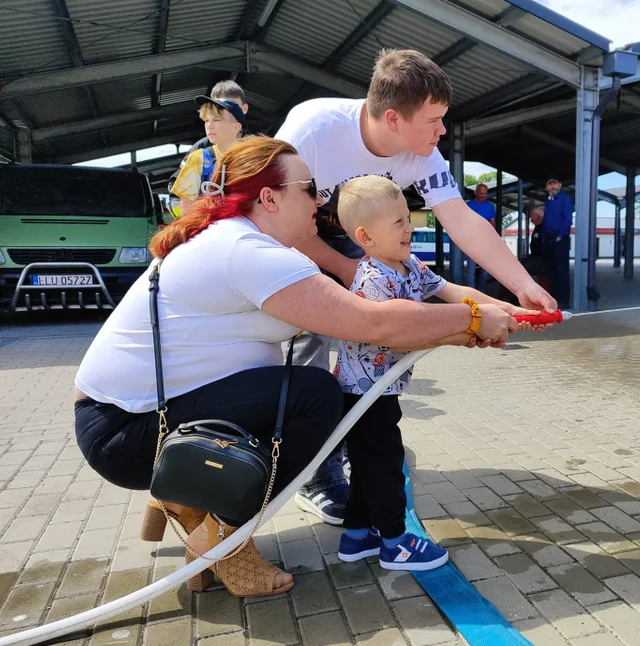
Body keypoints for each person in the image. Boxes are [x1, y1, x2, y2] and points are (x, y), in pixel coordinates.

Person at [74, 137, 518, 599]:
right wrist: (470, 319)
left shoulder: (240, 242)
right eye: (309, 188)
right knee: (315, 395)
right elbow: (371, 322)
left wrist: (471, 323)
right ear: (270, 197)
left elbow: (367, 316)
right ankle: (222, 536)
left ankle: (189, 493)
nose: (320, 201)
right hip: (124, 429)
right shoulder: (245, 250)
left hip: (134, 418)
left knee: (303, 390)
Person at [274, 48, 555, 524]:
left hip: (360, 241)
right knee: (309, 350)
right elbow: (283, 225)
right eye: (434, 120)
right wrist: (349, 277)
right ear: (393, 118)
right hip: (292, 237)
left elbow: (462, 221)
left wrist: (521, 288)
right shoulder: (312, 132)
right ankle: (313, 474)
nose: (442, 131)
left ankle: (350, 465)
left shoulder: (423, 152)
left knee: (372, 345)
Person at [332, 176, 525, 570]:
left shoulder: (409, 265)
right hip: (364, 394)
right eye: (399, 222)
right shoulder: (373, 279)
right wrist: (464, 331)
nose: (411, 227)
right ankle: (395, 542)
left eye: (408, 217)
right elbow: (400, 338)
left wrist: (510, 311)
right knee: (385, 464)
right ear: (365, 236)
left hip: (382, 390)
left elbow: (454, 293)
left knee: (370, 461)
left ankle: (357, 536)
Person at [167, 80, 249, 216]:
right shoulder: (201, 153)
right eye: (207, 120)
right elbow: (181, 199)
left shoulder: (255, 150)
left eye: (217, 119)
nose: (210, 125)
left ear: (243, 109)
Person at [541, 177, 573, 309]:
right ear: (546, 187)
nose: (552, 186)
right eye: (550, 184)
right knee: (550, 271)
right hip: (548, 239)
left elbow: (567, 219)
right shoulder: (548, 201)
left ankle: (564, 300)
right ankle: (554, 300)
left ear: (559, 185)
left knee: (561, 270)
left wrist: (560, 235)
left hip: (559, 239)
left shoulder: (565, 199)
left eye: (555, 183)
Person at [465, 183, 496, 292]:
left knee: (485, 271)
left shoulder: (491, 207)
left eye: (485, 194)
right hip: (472, 242)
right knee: (471, 269)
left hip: (485, 243)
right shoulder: (468, 205)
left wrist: (494, 240)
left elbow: (493, 225)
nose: (483, 196)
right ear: (476, 193)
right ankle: (471, 292)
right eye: (481, 193)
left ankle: (481, 292)